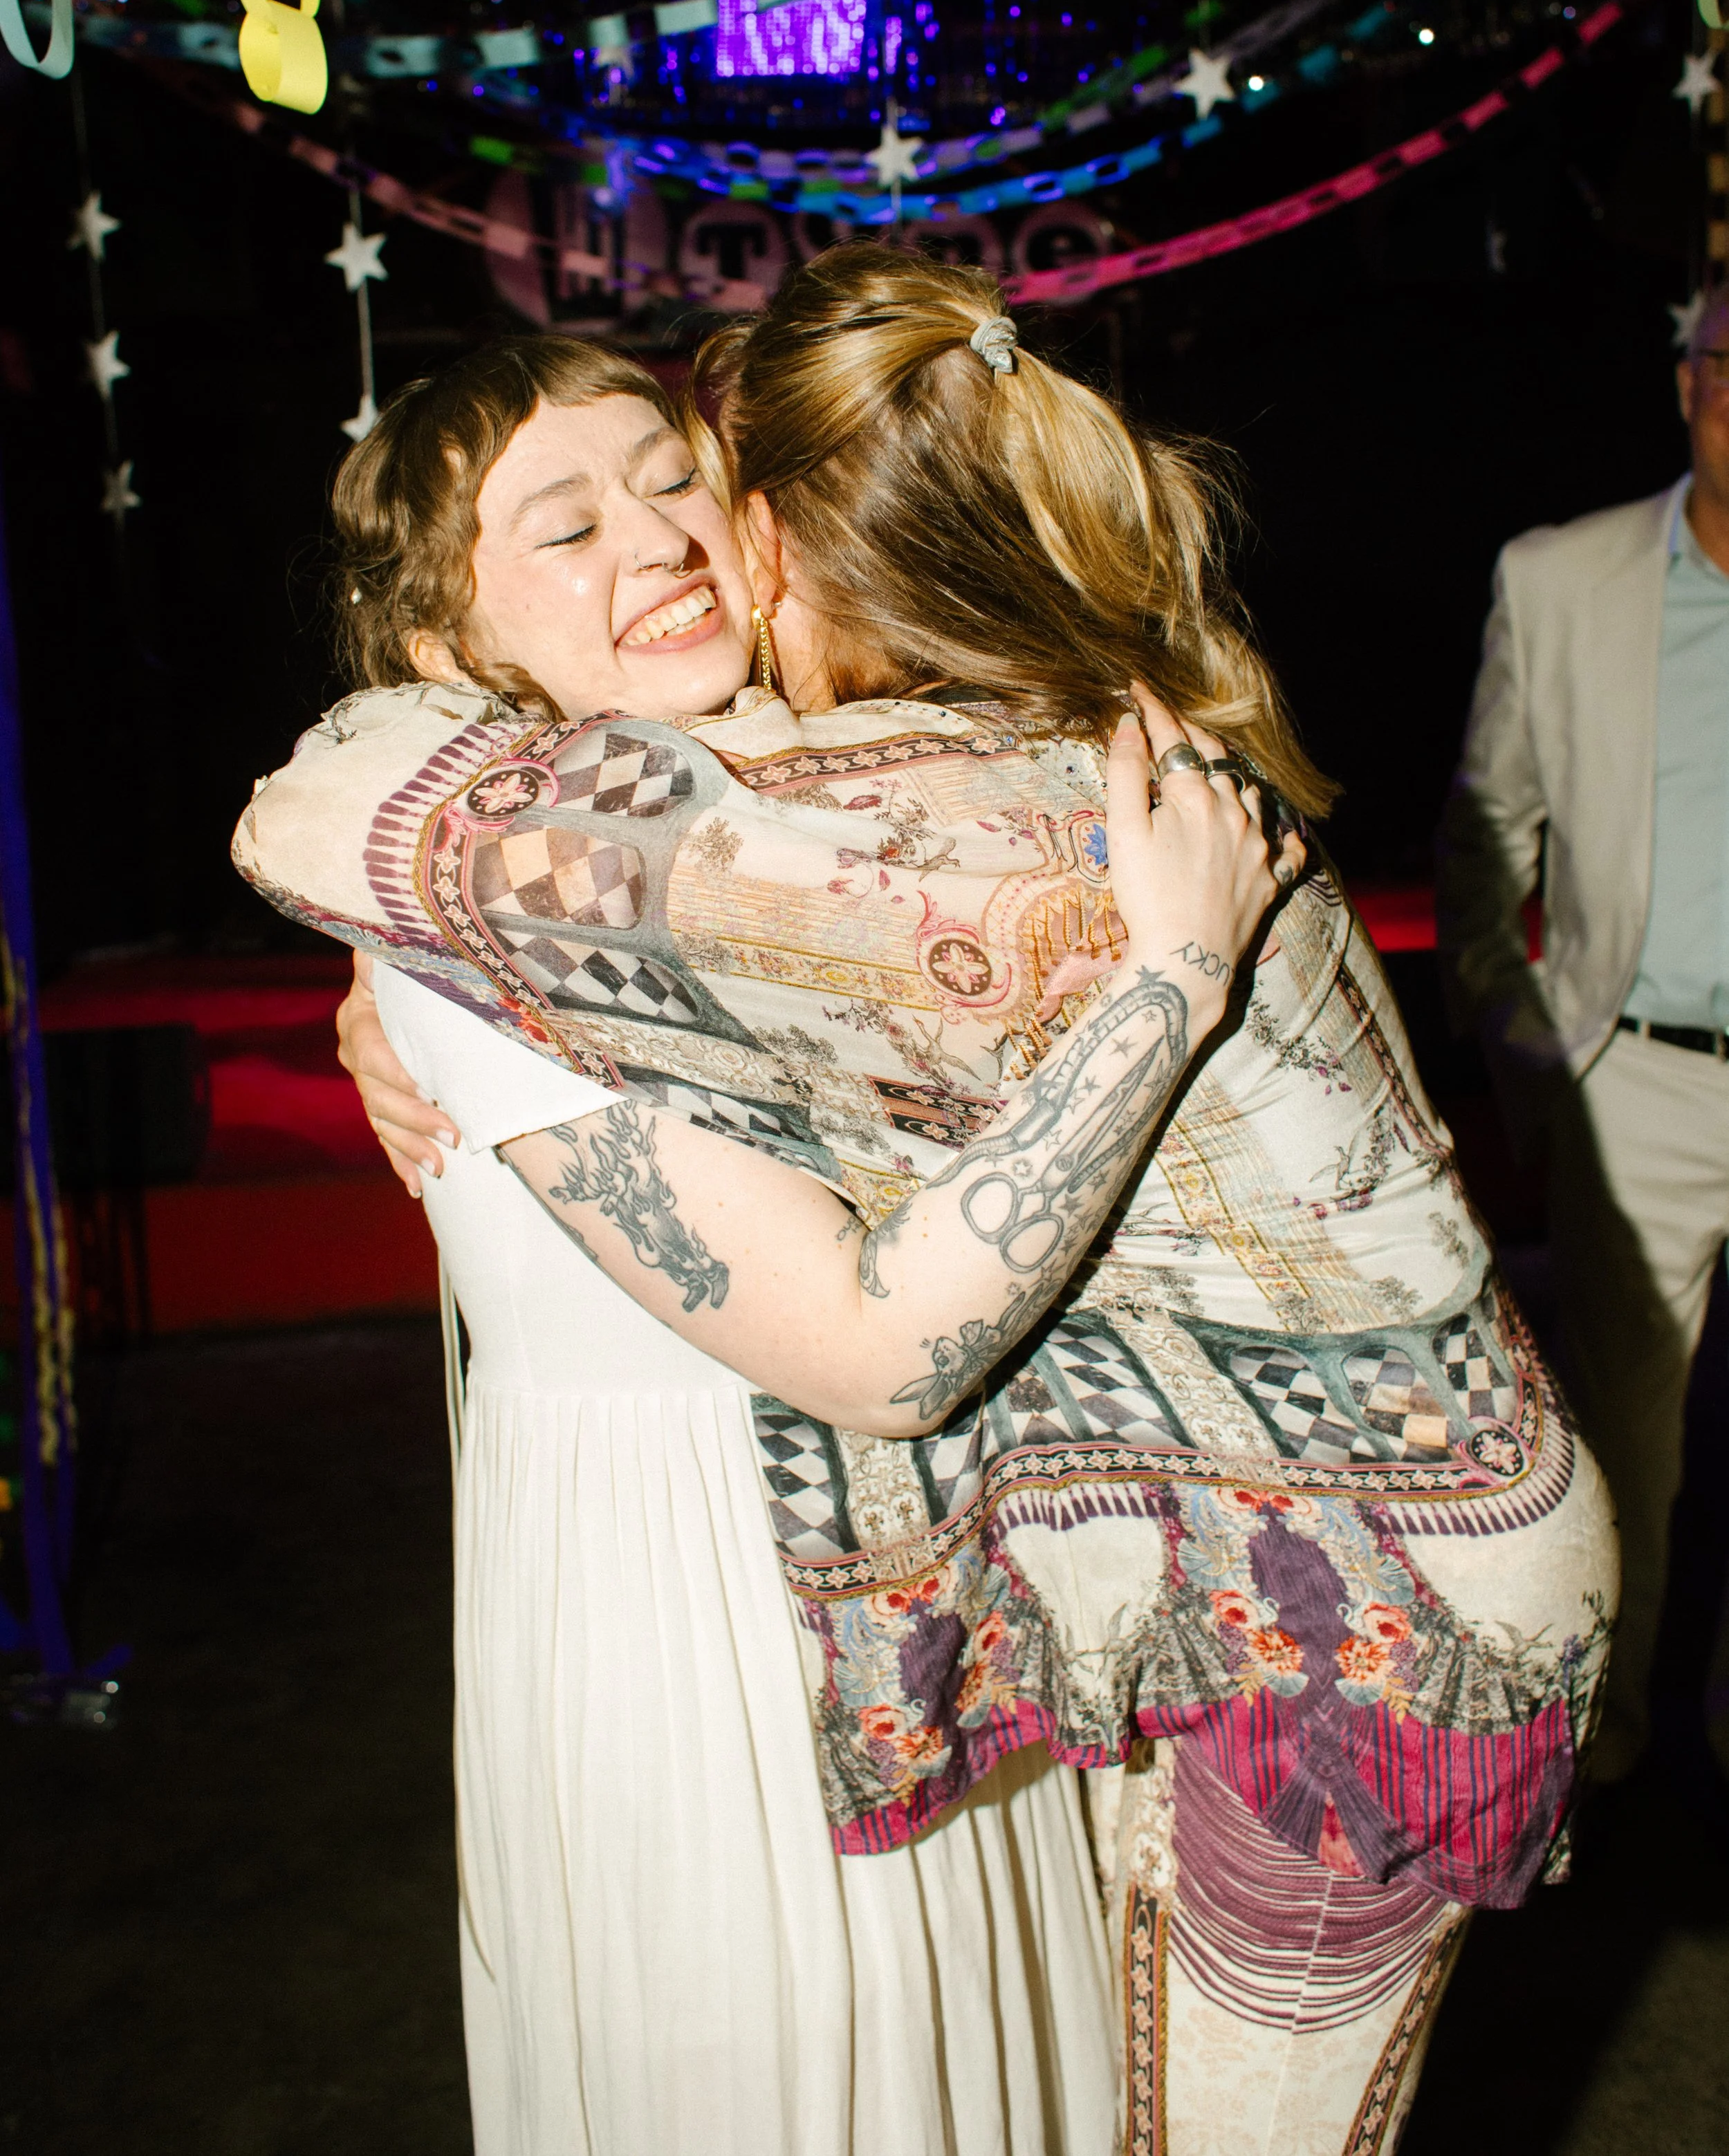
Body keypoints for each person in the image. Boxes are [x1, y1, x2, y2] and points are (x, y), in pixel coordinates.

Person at [249, 248, 1615, 2156]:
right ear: (435, 641)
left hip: (1139, 1597)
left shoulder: (836, 825)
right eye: (563, 519)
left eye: (671, 475)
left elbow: (366, 817)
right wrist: (385, 961)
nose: (657, 532)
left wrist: (1167, 972)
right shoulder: (579, 880)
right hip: (715, 1624)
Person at [1437, 287, 1729, 1786]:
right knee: (1626, 1452)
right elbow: (1486, 834)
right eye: (1726, 360)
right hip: (1647, 1088)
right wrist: (1530, 1054)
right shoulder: (1562, 579)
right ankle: (1601, 1760)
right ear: (1682, 378)